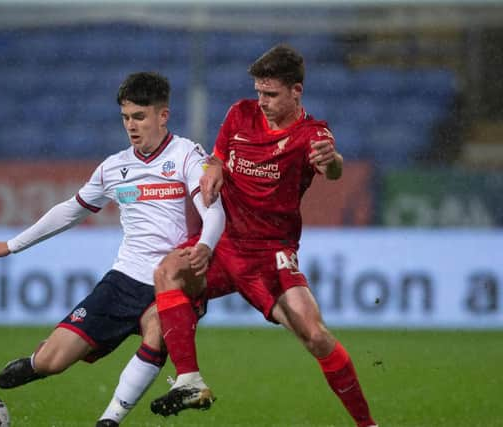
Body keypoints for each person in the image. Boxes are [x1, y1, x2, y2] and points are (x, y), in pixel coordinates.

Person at [0, 71, 225, 427]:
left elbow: (214, 210)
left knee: (157, 332)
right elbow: (71, 210)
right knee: (52, 362)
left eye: (139, 116)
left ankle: (109, 420)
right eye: (125, 118)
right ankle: (35, 364)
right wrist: (12, 245)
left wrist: (206, 248)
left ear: (162, 115)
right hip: (122, 280)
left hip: (173, 278)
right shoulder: (114, 167)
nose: (131, 126)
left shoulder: (186, 155)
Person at [148, 44, 378, 427]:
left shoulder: (312, 135)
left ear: (296, 91)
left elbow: (333, 168)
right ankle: (189, 380)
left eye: (271, 94)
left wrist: (333, 162)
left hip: (271, 253)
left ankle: (368, 424)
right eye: (259, 91)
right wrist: (214, 166)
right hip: (222, 243)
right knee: (165, 275)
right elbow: (217, 157)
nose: (263, 101)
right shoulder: (240, 113)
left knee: (315, 336)